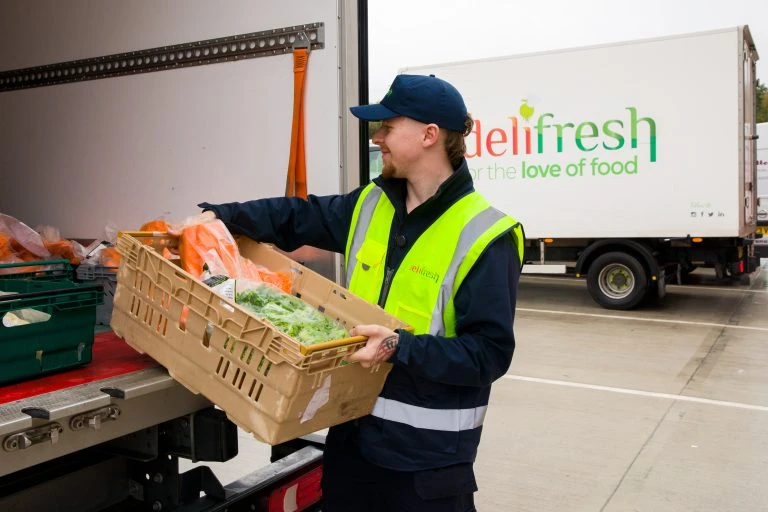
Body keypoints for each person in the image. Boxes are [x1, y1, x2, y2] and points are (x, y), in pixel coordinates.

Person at [196, 74, 524, 512]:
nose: (378, 137)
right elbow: (298, 216)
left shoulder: (486, 234)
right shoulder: (371, 204)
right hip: (352, 442)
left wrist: (397, 347)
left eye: (389, 125)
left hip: (425, 466)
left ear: (430, 135)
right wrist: (219, 218)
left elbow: (487, 355)